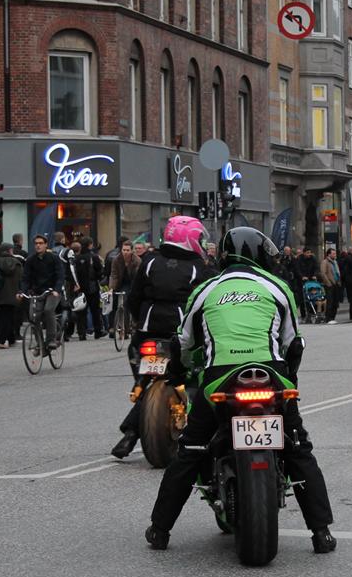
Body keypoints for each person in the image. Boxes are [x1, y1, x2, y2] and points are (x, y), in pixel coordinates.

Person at [144, 227, 336, 553]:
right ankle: (321, 534)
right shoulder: (278, 288)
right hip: (270, 378)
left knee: (189, 452)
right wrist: (291, 379)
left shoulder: (206, 290)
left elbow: (184, 342)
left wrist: (183, 369)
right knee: (299, 449)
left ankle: (160, 530)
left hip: (219, 382)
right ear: (259, 256)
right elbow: (293, 343)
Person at [111, 216, 215, 459]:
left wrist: (139, 323)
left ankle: (130, 432)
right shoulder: (200, 268)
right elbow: (208, 304)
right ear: (190, 239)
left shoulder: (149, 261)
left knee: (142, 374)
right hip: (181, 333)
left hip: (147, 333)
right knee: (200, 375)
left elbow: (134, 298)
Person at [21, 234, 64, 348]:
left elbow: (60, 275)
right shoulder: (30, 260)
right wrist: (22, 292)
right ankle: (39, 343)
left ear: (46, 245)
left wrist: (56, 289)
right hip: (37, 292)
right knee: (34, 316)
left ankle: (51, 340)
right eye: (36, 243)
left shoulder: (53, 258)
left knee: (49, 310)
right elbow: (25, 278)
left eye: (40, 243)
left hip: (52, 291)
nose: (38, 246)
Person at [0, 242, 24, 349]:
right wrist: (21, 291)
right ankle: (1, 340)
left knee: (4, 315)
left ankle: (11, 338)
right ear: (10, 250)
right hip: (13, 293)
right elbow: (21, 279)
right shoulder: (17, 262)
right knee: (8, 317)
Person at [108, 240, 141, 336]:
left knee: (131, 303)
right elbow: (113, 275)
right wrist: (111, 288)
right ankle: (120, 328)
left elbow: (138, 276)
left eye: (127, 250)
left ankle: (134, 324)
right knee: (119, 303)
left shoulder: (137, 260)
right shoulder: (116, 260)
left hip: (133, 282)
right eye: (123, 250)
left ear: (131, 251)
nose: (125, 252)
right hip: (122, 283)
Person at [321, 247, 341, 324]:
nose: (335, 255)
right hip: (330, 284)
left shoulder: (335, 262)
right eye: (333, 253)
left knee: (335, 302)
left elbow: (337, 272)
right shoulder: (325, 262)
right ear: (329, 254)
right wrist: (328, 283)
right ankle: (328, 318)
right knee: (330, 301)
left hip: (336, 284)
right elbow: (323, 273)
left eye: (335, 253)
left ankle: (333, 317)